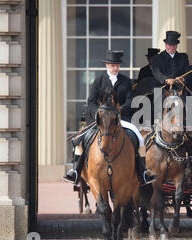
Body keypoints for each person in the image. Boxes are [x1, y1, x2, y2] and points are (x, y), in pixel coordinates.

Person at [64, 50, 156, 186]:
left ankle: (143, 171)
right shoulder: (98, 80)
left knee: (139, 138)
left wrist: (118, 111)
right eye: (113, 65)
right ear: (107, 65)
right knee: (80, 139)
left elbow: (130, 101)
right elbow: (91, 102)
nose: (115, 68)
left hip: (121, 119)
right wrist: (99, 114)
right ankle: (75, 170)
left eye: (117, 65)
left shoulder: (126, 81)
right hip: (101, 121)